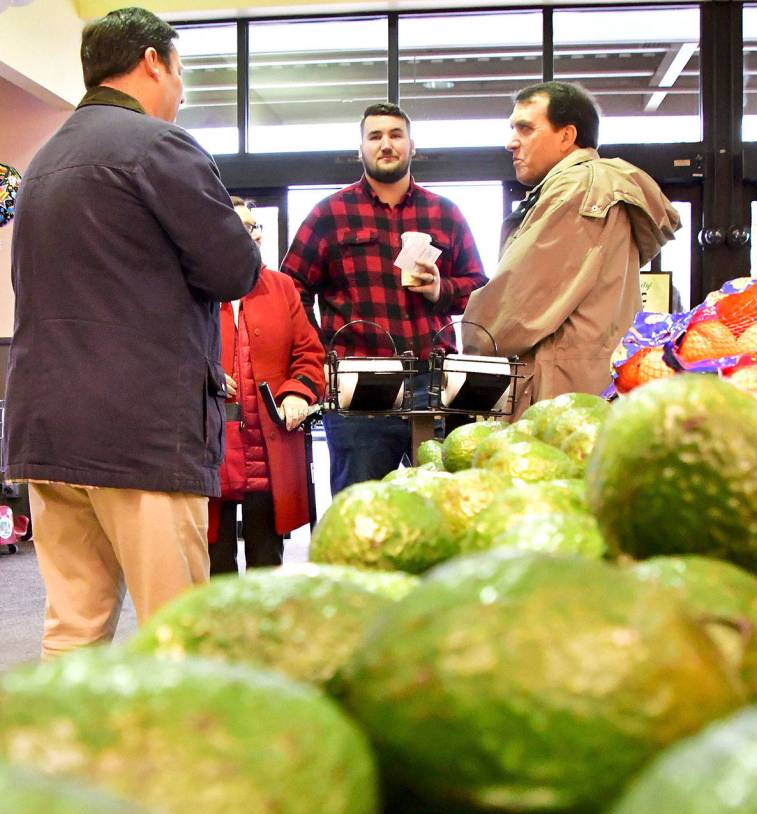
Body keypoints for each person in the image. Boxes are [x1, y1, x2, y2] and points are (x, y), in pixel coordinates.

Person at [1, 7, 262, 658]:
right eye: (180, 72)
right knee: (178, 634)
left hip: (47, 428)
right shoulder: (158, 145)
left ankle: (67, 759)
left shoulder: (44, 163)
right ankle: (180, 760)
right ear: (153, 61)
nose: (180, 89)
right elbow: (234, 270)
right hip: (139, 434)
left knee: (74, 629)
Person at [281, 102, 488, 495]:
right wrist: (318, 355)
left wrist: (442, 289)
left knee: (446, 505)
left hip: (437, 381)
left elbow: (479, 287)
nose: (386, 144)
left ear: (412, 146)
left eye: (395, 135)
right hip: (360, 383)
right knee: (363, 508)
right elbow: (290, 290)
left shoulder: (446, 214)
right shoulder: (330, 214)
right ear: (360, 148)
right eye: (375, 136)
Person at [464, 81, 681, 411]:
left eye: (525, 128)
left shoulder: (577, 190)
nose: (511, 142)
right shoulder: (597, 187)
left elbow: (516, 303)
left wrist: (473, 340)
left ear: (566, 136)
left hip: (560, 394)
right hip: (587, 388)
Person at [207, 198, 325, 574]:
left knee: (266, 566)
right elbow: (168, 353)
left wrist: (297, 390)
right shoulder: (194, 287)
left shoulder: (282, 287)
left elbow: (309, 353)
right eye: (244, 226)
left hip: (270, 452)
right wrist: (201, 371)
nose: (254, 234)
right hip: (212, 452)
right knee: (215, 567)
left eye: (255, 227)